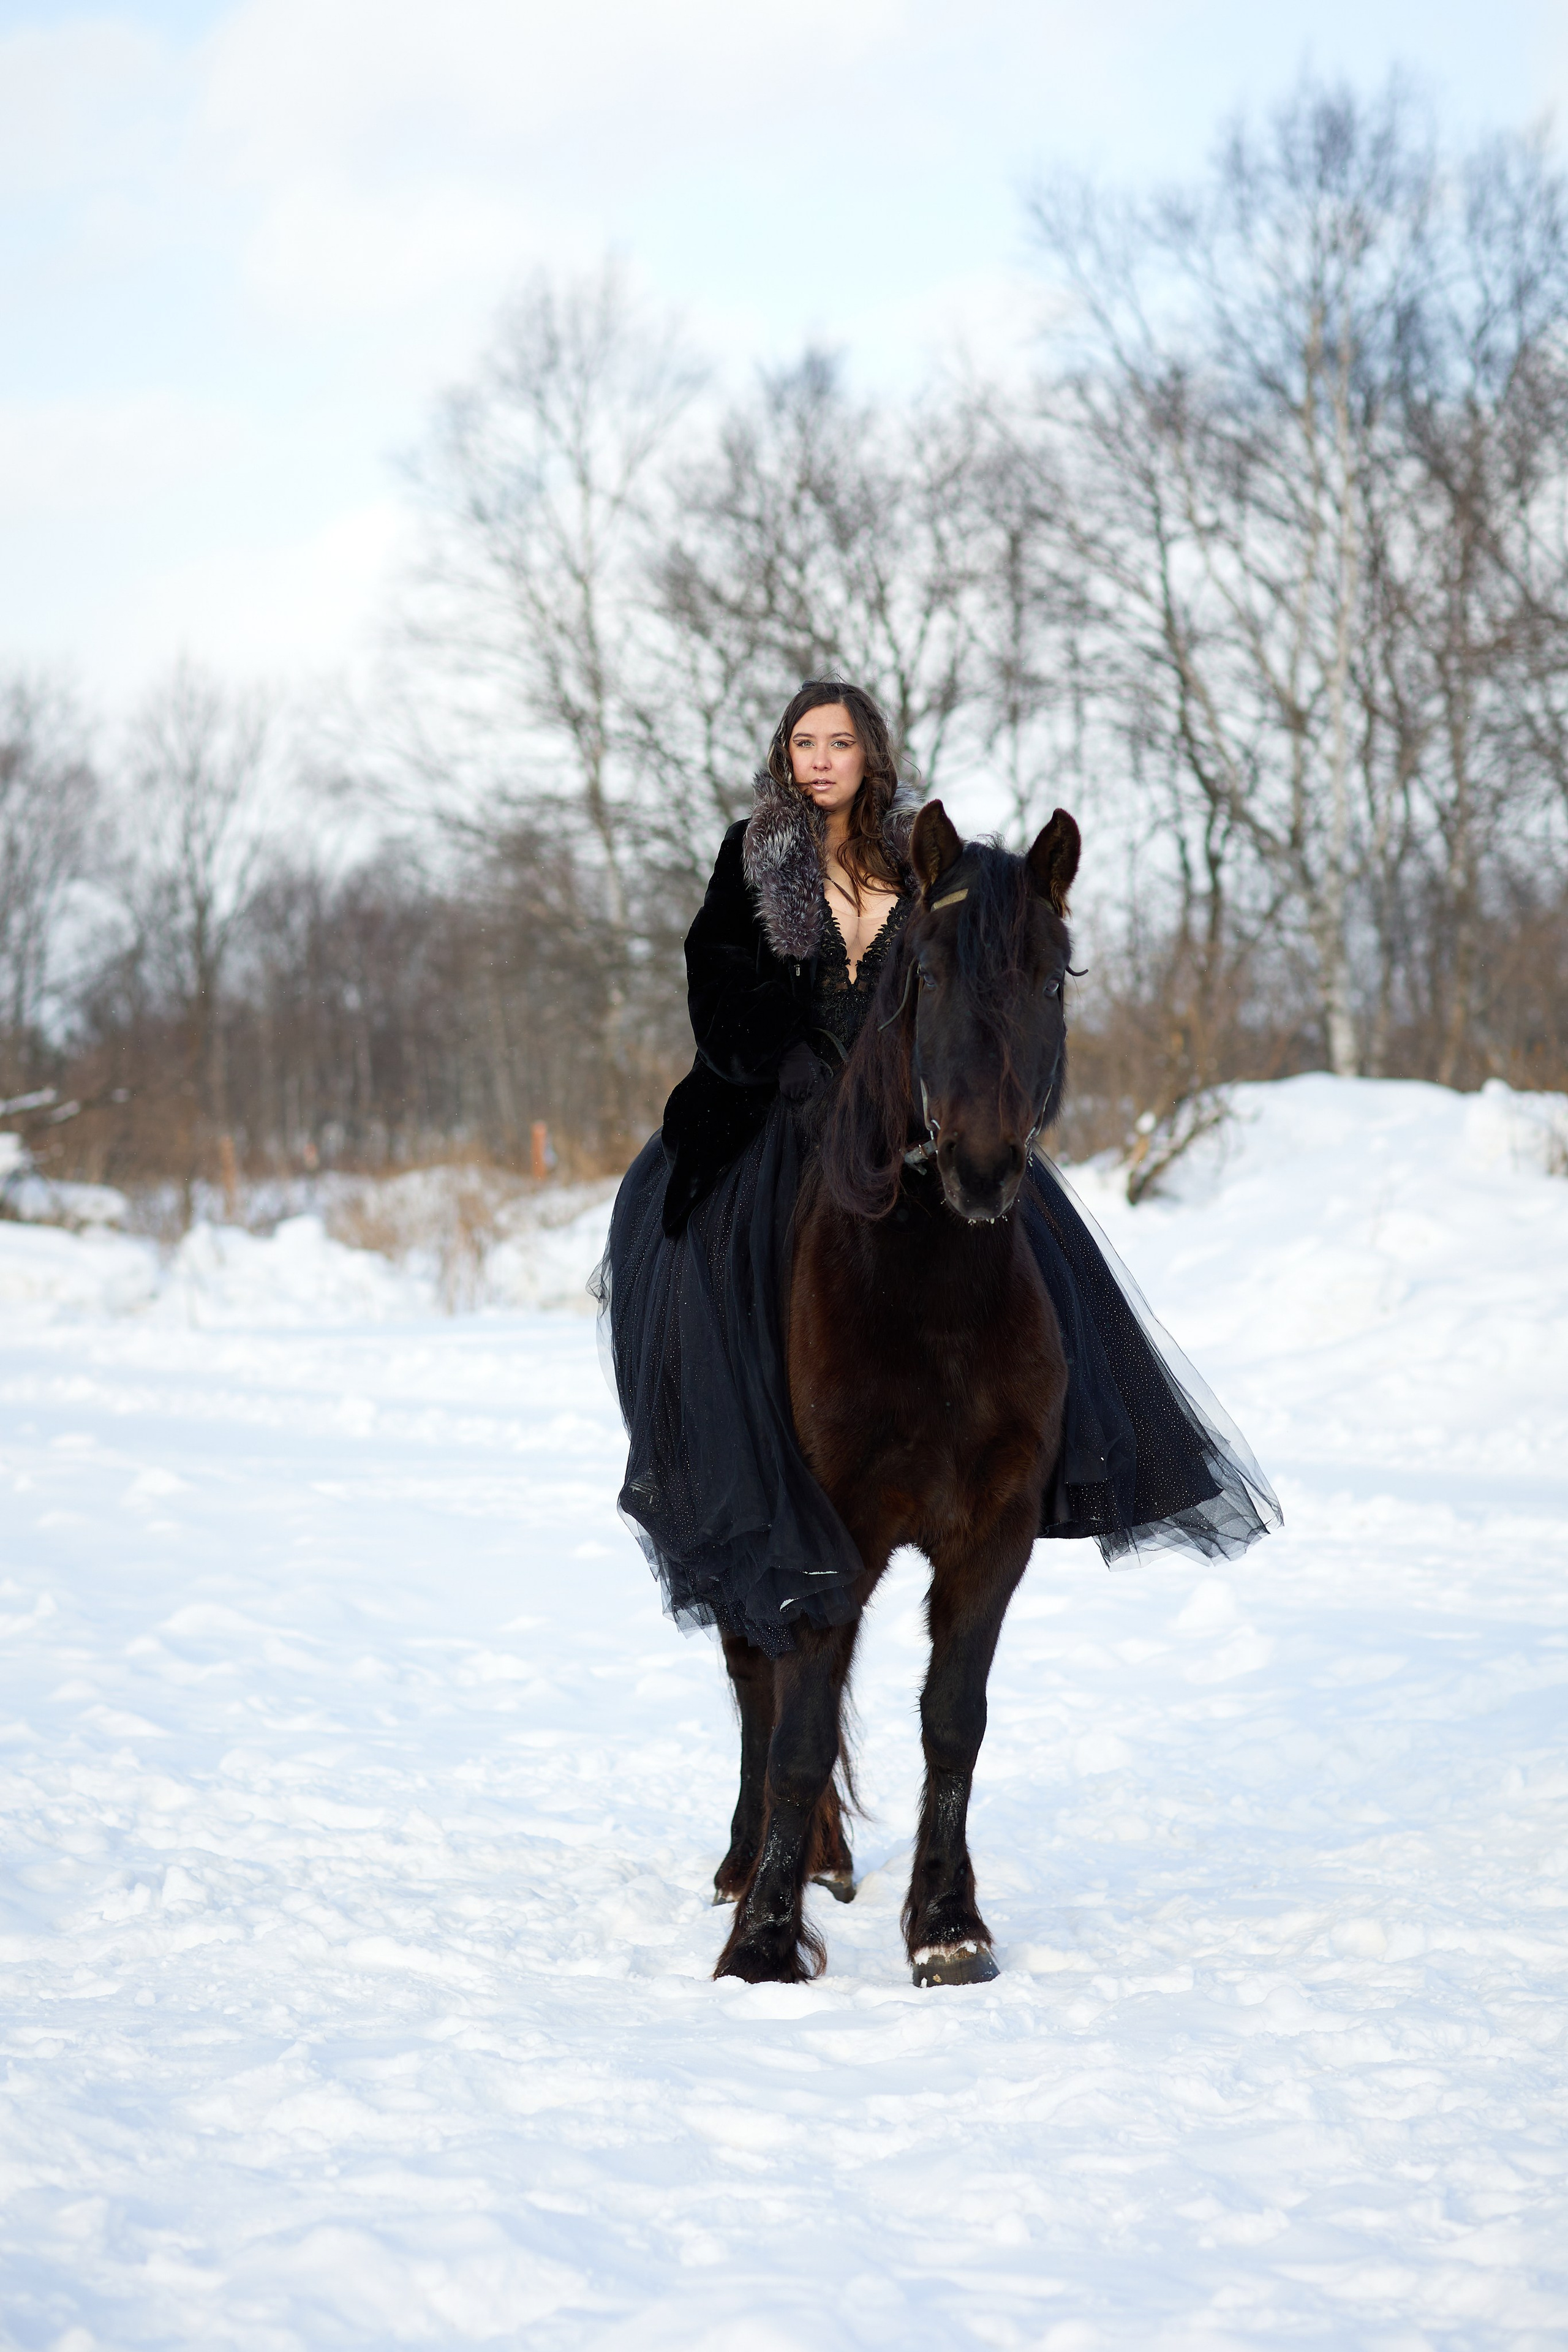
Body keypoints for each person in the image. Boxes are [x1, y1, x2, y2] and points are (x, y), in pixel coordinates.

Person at [594, 680, 1277, 1657]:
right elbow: (717, 988)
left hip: (901, 1116)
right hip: (776, 1108)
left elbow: (971, 987)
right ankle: (740, 1448)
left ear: (871, 751)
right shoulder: (754, 856)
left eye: (839, 741)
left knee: (1037, 1244)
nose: (820, 759)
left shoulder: (927, 868)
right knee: (711, 1243)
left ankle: (1024, 1451)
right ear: (786, 758)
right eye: (803, 743)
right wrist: (792, 1063)